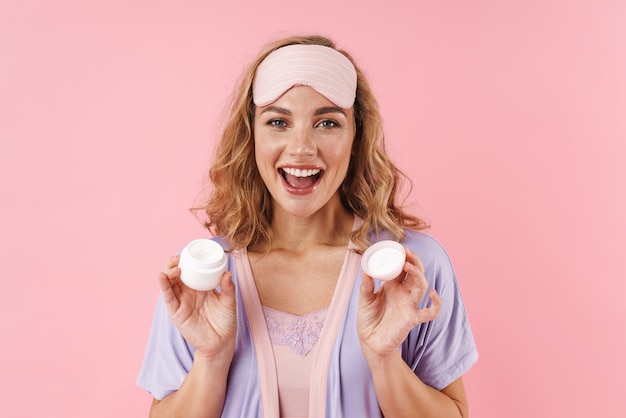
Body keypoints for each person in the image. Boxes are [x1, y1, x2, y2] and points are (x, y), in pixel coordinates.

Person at [137, 35, 478, 418]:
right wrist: (212, 359)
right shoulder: (203, 277)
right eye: (278, 121)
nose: (301, 147)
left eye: (327, 122)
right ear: (251, 137)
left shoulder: (410, 268)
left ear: (356, 138)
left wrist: (384, 360)